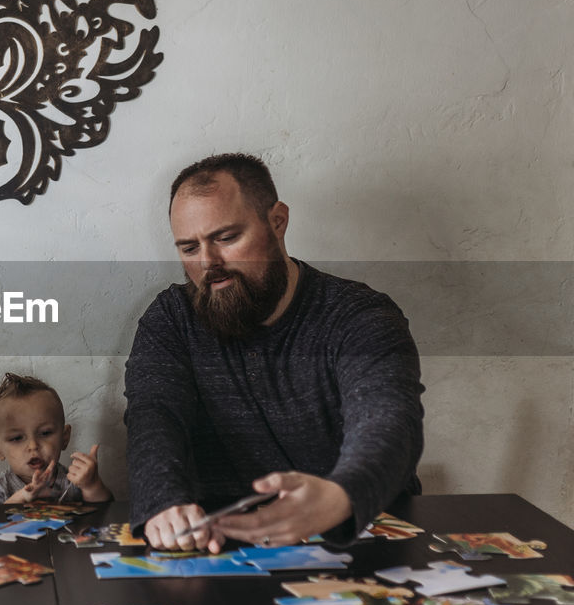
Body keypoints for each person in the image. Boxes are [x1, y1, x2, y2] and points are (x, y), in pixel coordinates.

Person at [124, 153, 423, 552]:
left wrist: (339, 496)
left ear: (277, 221)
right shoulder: (171, 319)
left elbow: (389, 420)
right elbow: (153, 417)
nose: (209, 263)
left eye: (227, 238)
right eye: (189, 247)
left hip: (363, 539)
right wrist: (163, 502)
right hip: (223, 550)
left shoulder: (359, 315)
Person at [0, 373, 112, 504]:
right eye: (17, 438)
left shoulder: (75, 481)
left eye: (45, 433)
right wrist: (22, 497)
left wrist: (92, 486)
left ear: (64, 438)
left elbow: (106, 517)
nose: (33, 445)